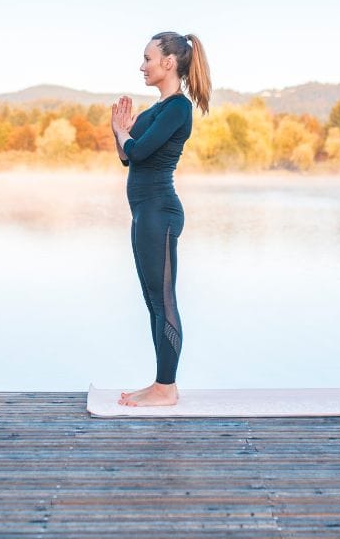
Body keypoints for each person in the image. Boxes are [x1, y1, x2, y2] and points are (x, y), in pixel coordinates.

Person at [110, 31, 212, 407]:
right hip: (144, 213)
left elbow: (136, 151)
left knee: (164, 300)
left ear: (169, 63)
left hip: (159, 212)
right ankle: (159, 384)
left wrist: (123, 134)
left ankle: (166, 388)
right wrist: (118, 133)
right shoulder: (157, 109)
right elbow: (127, 155)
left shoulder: (176, 109)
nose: (142, 66)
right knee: (153, 300)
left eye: (148, 59)